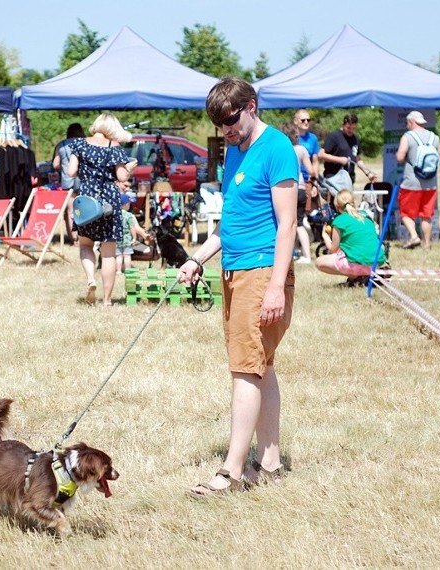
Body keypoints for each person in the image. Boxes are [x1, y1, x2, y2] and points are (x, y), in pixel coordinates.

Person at [179, 77, 298, 497]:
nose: (226, 130)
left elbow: (288, 224)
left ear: (251, 106)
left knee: (245, 370)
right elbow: (231, 223)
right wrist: (197, 258)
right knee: (260, 365)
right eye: (219, 124)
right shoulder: (233, 152)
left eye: (230, 120)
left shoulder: (278, 148)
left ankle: (229, 473)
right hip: (233, 270)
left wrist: (276, 289)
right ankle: (268, 461)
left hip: (263, 271)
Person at [67, 113, 137, 307]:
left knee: (85, 245)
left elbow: (71, 172)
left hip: (87, 200)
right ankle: (107, 301)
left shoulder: (79, 144)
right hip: (109, 201)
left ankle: (91, 278)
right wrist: (129, 167)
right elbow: (122, 177)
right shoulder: (114, 147)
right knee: (108, 253)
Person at [395, 110, 440, 250]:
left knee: (405, 213)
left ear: (411, 122)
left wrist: (402, 157)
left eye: (407, 123)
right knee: (427, 215)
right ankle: (426, 244)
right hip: (431, 183)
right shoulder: (434, 137)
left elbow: (400, 157)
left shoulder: (407, 137)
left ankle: (414, 236)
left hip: (412, 182)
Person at [315, 189, 386, 282]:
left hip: (358, 265)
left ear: (336, 206)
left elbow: (333, 250)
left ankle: (356, 276)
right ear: (354, 202)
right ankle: (363, 276)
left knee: (319, 262)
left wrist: (324, 235)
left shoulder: (339, 221)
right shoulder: (366, 217)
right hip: (376, 263)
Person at [281, 122, 316, 264]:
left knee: (290, 223)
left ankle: (304, 255)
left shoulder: (282, 149)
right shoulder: (301, 150)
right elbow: (311, 171)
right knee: (299, 222)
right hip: (301, 189)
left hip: (287, 189)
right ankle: (300, 252)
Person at [319, 113, 377, 188]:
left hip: (349, 179)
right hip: (334, 178)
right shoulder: (334, 137)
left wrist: (368, 173)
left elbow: (357, 159)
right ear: (342, 125)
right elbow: (321, 154)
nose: (351, 131)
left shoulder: (355, 138)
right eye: (348, 128)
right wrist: (340, 160)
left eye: (353, 128)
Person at [52, 123, 85, 241]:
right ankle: (83, 236)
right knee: (83, 209)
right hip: (83, 180)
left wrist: (63, 168)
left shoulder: (61, 145)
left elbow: (55, 164)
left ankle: (73, 238)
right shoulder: (85, 143)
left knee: (70, 210)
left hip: (67, 180)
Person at [115, 184, 150, 273]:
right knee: (127, 256)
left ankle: (118, 271)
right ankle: (128, 270)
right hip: (127, 239)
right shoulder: (129, 215)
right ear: (126, 204)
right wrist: (134, 238)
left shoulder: (115, 215)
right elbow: (132, 228)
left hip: (117, 239)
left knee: (118, 256)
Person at [294, 109, 319, 180]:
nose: (306, 122)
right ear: (295, 121)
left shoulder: (313, 138)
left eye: (308, 120)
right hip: (294, 177)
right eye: (303, 120)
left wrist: (315, 180)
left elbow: (315, 161)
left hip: (308, 178)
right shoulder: (291, 137)